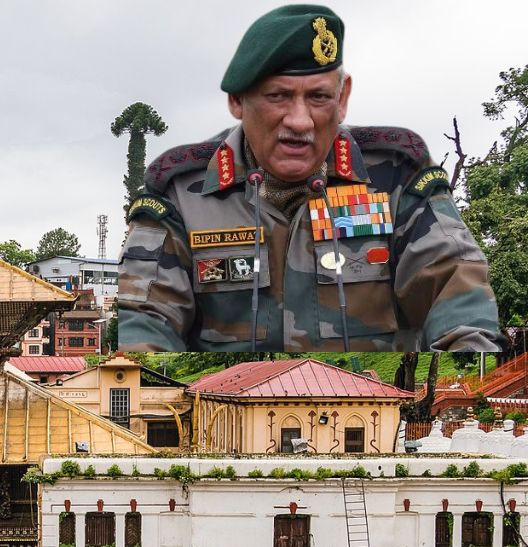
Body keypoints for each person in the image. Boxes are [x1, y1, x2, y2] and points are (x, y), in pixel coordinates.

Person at [117, 4, 503, 353]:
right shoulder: (180, 194)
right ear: (237, 100)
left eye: (318, 97)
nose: (300, 121)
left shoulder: (398, 177)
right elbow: (146, 323)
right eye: (278, 97)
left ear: (343, 96)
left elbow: (455, 286)